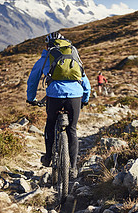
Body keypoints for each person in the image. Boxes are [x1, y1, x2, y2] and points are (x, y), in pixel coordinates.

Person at [27, 32, 91, 179]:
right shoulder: (74, 57)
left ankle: (48, 156)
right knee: (72, 130)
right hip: (75, 96)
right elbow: (84, 80)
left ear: (47, 46)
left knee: (50, 124)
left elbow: (33, 80)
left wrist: (31, 98)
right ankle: (73, 168)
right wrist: (85, 99)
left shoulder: (45, 58)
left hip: (54, 96)